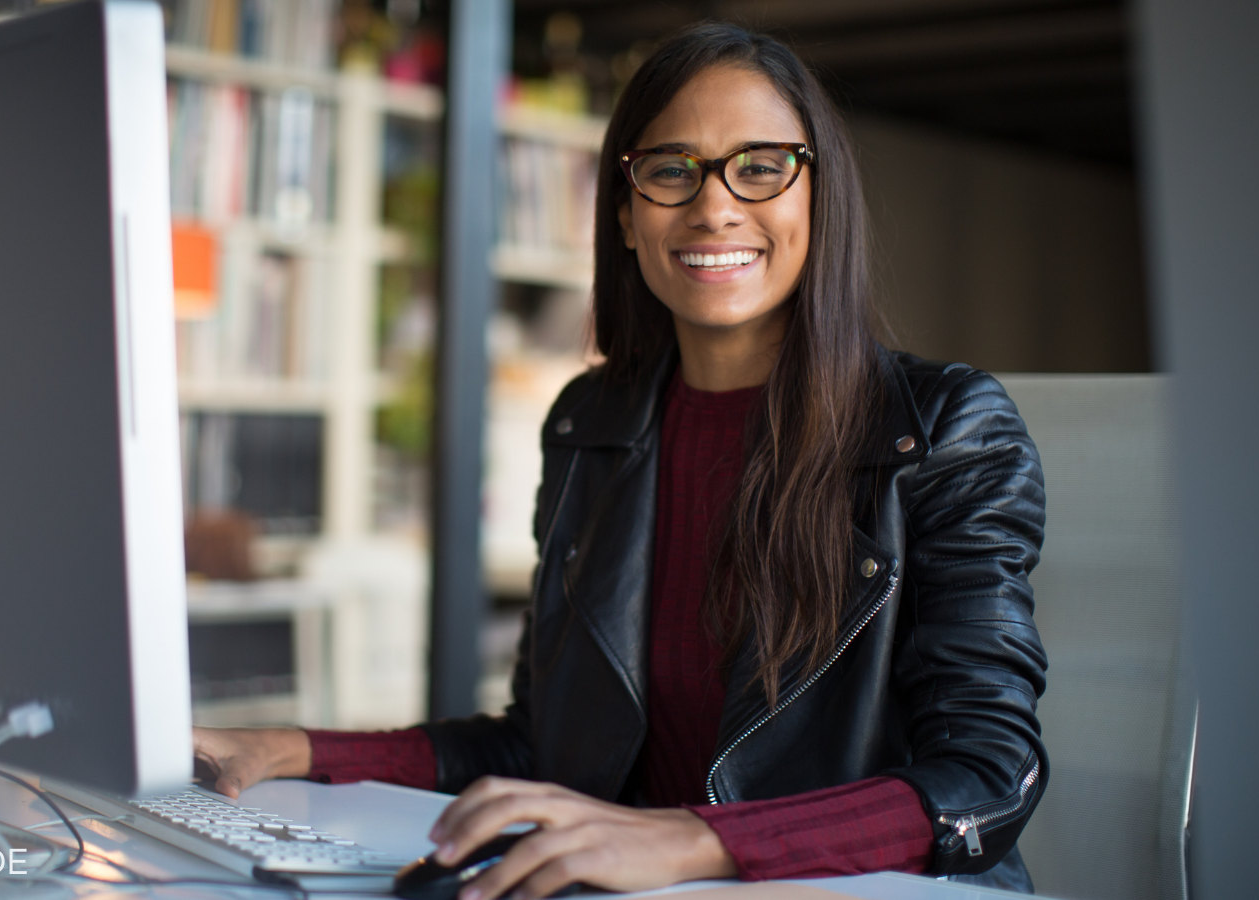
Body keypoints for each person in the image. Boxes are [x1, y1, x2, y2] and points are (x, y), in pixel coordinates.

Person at [191, 21, 1047, 896]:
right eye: (672, 171)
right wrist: (287, 748)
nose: (714, 207)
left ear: (817, 199)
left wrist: (691, 840)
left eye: (760, 167)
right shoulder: (592, 422)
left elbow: (986, 779)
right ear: (628, 216)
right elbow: (542, 741)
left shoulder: (943, 427)